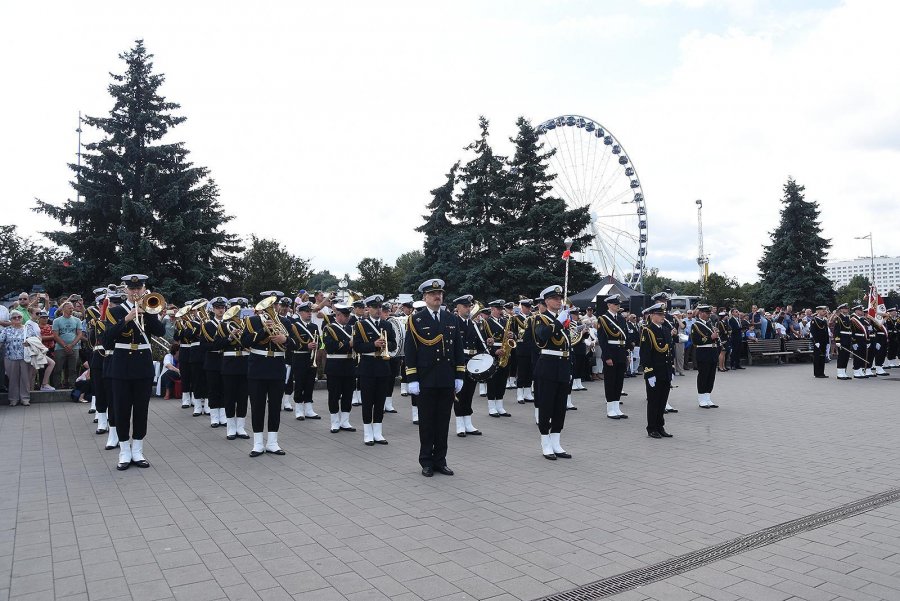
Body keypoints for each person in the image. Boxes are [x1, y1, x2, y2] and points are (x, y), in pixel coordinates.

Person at [103, 274, 166, 470]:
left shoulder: (149, 308)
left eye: (139, 288)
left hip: (143, 366)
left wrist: (147, 313)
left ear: (144, 288)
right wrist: (127, 319)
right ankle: (124, 451)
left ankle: (138, 449)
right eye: (132, 289)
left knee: (141, 410)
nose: (136, 292)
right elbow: (107, 340)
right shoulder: (115, 311)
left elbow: (160, 332)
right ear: (126, 290)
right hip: (121, 366)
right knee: (121, 410)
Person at [405, 279, 464, 476]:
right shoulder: (416, 320)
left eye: (439, 293)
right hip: (426, 378)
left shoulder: (451, 318)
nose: (437, 296)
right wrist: (412, 378)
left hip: (446, 378)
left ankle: (440, 460)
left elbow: (457, 348)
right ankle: (426, 461)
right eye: (432, 294)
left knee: (443, 421)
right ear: (424, 297)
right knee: (427, 422)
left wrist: (459, 375)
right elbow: (411, 350)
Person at [241, 292, 294, 456]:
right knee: (257, 405)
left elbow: (295, 344)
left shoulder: (285, 322)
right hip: (257, 366)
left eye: (275, 305)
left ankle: (272, 442)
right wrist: (264, 331)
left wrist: (285, 340)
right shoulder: (251, 321)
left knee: (275, 406)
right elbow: (245, 341)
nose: (273, 308)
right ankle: (257, 443)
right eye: (271, 305)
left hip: (277, 366)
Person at [533, 285, 573, 460]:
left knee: (560, 407)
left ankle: (556, 441)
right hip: (548, 365)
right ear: (547, 301)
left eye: (560, 298)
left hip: (563, 365)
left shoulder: (563, 319)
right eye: (555, 298)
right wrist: (557, 322)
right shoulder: (540, 318)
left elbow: (567, 344)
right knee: (547, 405)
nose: (559, 301)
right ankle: (545, 442)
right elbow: (541, 337)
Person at [353, 295, 397, 445]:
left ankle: (378, 432)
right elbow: (357, 346)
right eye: (375, 307)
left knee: (380, 401)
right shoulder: (360, 325)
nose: (378, 310)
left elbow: (394, 345)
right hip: (367, 366)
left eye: (380, 308)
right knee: (367, 401)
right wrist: (374, 344)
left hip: (383, 366)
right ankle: (367, 433)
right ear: (368, 309)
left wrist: (386, 346)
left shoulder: (387, 325)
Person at [217, 297, 250, 441]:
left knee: (243, 397)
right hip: (229, 364)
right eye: (237, 309)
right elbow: (217, 344)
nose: (239, 312)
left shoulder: (248, 325)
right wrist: (230, 338)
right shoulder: (223, 326)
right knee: (229, 396)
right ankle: (231, 427)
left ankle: (240, 426)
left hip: (244, 362)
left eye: (241, 309)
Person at [321, 303, 357, 433]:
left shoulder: (351, 329)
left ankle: (345, 421)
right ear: (337, 315)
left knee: (348, 394)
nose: (347, 318)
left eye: (348, 315)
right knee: (334, 394)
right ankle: (335, 422)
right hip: (335, 365)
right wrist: (349, 344)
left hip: (349, 365)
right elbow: (330, 347)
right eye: (345, 315)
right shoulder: (329, 328)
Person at [640, 303, 673, 438]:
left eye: (663, 314)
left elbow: (669, 352)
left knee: (662, 401)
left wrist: (671, 369)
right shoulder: (647, 331)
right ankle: (652, 428)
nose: (662, 317)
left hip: (665, 371)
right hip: (654, 372)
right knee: (653, 401)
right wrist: (649, 373)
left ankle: (660, 426)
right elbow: (645, 354)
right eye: (659, 314)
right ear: (652, 315)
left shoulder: (665, 329)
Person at [452, 295, 483, 437]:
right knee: (460, 394)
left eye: (469, 306)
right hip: (459, 363)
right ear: (458, 307)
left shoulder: (473, 324)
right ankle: (460, 424)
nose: (468, 309)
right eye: (465, 306)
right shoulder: (453, 323)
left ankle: (468, 423)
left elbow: (479, 344)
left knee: (470, 392)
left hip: (472, 362)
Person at [597, 295, 628, 419]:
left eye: (618, 304)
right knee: (610, 381)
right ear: (609, 305)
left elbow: (624, 337)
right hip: (611, 352)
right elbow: (603, 339)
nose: (618, 306)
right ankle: (610, 408)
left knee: (619, 381)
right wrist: (607, 356)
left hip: (620, 352)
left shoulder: (621, 319)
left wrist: (626, 353)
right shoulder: (603, 319)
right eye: (615, 304)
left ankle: (617, 407)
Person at [288, 301, 321, 421]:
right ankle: (299, 409)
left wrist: (317, 345)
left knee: (309, 383)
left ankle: (309, 408)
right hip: (299, 357)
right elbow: (292, 344)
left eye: (310, 311)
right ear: (300, 312)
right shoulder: (294, 326)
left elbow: (319, 341)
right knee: (300, 383)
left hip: (311, 358)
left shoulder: (314, 326)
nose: (309, 314)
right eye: (307, 312)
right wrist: (306, 346)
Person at [481, 300, 513, 418]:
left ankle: (500, 405)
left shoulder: (506, 321)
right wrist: (494, 351)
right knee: (493, 381)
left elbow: (513, 335)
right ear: (492, 309)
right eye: (498, 309)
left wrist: (512, 336)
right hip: (493, 353)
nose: (500, 311)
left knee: (502, 380)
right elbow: (482, 340)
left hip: (505, 353)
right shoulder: (486, 322)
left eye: (501, 309)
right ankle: (492, 407)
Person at [201, 297, 229, 427]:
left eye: (222, 307)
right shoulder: (207, 325)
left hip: (226, 360)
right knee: (213, 389)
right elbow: (203, 345)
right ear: (213, 309)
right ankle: (214, 417)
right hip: (212, 360)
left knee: (224, 389)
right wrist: (219, 345)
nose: (220, 310)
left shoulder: (229, 324)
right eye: (218, 308)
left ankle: (223, 416)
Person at [690, 305, 720, 409]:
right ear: (701, 313)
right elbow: (696, 341)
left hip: (712, 351)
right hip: (703, 351)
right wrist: (710, 338)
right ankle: (701, 398)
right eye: (707, 313)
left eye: (709, 313)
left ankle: (708, 397)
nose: (708, 315)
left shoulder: (709, 324)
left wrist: (715, 335)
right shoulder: (696, 325)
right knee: (703, 375)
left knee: (711, 376)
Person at [0, 312, 32, 405]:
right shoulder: (6, 330)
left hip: (25, 357)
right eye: (14, 317)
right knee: (12, 379)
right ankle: (13, 399)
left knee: (25, 378)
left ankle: (25, 398)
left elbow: (36, 340)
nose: (17, 318)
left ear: (22, 318)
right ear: (11, 319)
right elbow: (1, 342)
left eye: (19, 317)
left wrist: (29, 343)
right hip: (10, 357)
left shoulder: (28, 329)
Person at [51, 301, 84, 389]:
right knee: (58, 368)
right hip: (60, 348)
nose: (71, 309)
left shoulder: (77, 320)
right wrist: (65, 345)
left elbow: (79, 334)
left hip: (74, 347)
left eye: (72, 308)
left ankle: (72, 386)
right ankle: (57, 386)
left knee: (73, 369)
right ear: (63, 309)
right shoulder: (57, 321)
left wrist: (72, 345)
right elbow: (55, 335)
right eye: (69, 308)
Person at [810, 306, 830, 378]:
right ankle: (817, 373)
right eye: (822, 310)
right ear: (818, 312)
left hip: (824, 341)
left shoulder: (824, 320)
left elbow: (826, 332)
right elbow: (813, 331)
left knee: (822, 357)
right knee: (817, 357)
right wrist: (816, 341)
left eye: (824, 310)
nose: (824, 312)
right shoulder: (814, 320)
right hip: (818, 342)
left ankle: (822, 372)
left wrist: (827, 342)